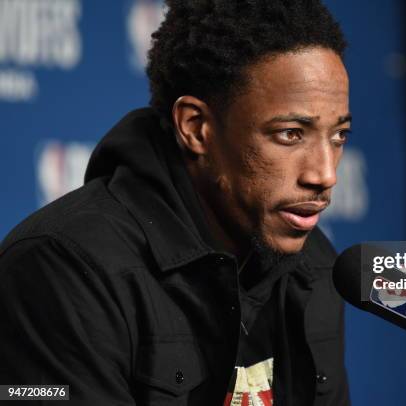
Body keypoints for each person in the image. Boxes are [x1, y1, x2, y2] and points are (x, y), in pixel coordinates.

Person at [0, 1, 352, 404]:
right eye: (291, 134)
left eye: (339, 135)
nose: (325, 174)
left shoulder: (315, 263)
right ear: (196, 128)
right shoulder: (63, 269)